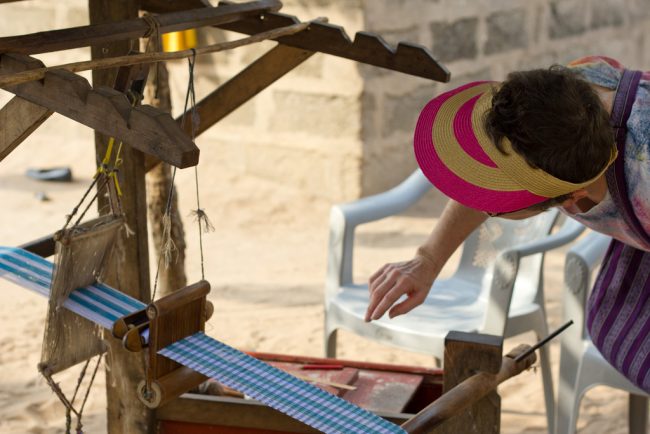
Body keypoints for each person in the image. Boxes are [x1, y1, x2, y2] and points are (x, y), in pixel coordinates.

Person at [365, 56, 650, 392]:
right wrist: (427, 260)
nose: (485, 200)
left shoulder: (640, 178)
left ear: (572, 198)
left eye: (499, 203)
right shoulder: (564, 104)